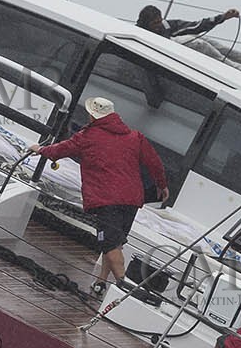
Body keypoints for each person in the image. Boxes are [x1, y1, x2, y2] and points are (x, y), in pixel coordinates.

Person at [22, 97, 167, 299]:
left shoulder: (87, 136)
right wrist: (162, 185)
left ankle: (124, 288)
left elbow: (60, 150)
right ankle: (101, 282)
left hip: (107, 200)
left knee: (109, 243)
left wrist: (41, 150)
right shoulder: (134, 137)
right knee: (115, 243)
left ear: (92, 115)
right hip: (131, 200)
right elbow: (155, 163)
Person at [137, 5, 241, 39]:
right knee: (198, 44)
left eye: (160, 21)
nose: (158, 26)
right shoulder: (138, 36)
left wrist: (223, 17)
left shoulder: (168, 26)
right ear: (146, 24)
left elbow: (195, 26)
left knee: (205, 41)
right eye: (155, 23)